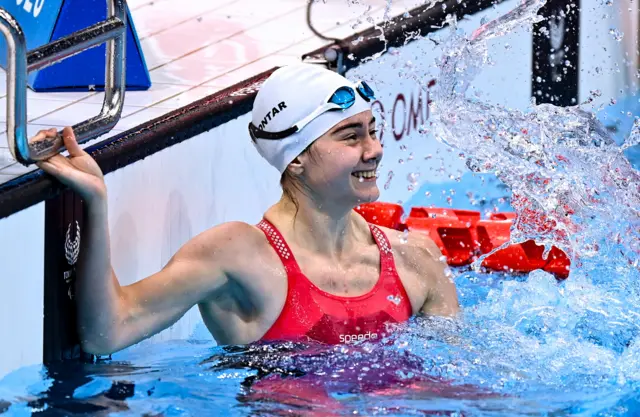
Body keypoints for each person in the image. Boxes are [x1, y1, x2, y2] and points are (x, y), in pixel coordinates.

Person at [35, 63, 459, 356]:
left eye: (373, 131)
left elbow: (456, 385)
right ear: (295, 158)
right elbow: (109, 332)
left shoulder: (415, 259)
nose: (375, 150)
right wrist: (95, 201)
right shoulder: (239, 257)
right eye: (351, 137)